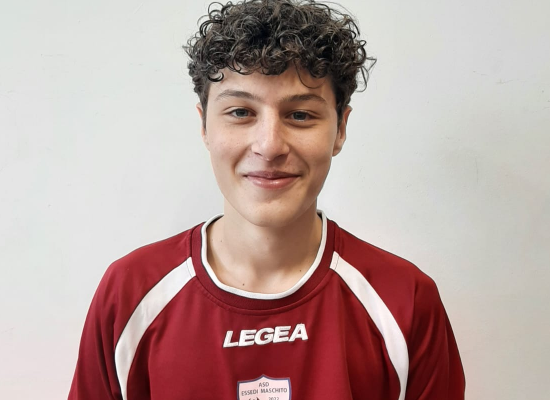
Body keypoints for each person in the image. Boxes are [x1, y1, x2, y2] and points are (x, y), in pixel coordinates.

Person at [68, 0, 465, 399]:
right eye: (241, 112)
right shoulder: (130, 294)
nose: (269, 146)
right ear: (204, 126)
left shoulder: (405, 300)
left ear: (341, 129)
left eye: (300, 115)